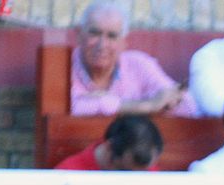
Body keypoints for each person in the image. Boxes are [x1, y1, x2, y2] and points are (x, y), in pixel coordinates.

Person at [70, 0, 198, 117]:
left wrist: (104, 103)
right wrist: (148, 105)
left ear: (123, 42)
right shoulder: (62, 68)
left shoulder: (138, 64)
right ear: (79, 35)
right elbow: (71, 108)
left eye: (112, 36)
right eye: (95, 33)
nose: (102, 45)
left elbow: (187, 106)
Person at [54, 114, 163, 170]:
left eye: (146, 172)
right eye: (125, 172)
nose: (138, 181)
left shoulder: (143, 164)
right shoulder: (67, 174)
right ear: (109, 148)